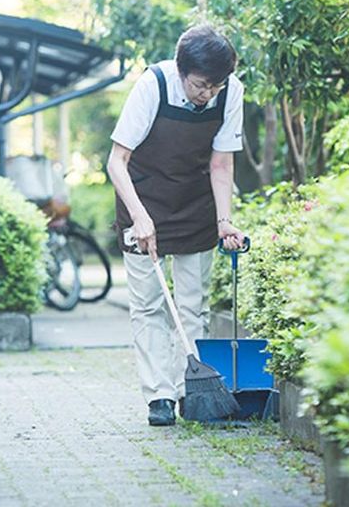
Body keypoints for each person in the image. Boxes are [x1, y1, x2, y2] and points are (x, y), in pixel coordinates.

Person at [107, 25, 247, 426]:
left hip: (194, 204)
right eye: (201, 85)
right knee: (149, 304)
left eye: (215, 87)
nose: (208, 95)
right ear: (182, 71)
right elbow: (117, 161)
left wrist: (224, 221)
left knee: (192, 304)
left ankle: (192, 390)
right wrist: (139, 215)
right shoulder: (154, 85)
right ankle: (159, 397)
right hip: (142, 200)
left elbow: (221, 163)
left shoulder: (229, 91)